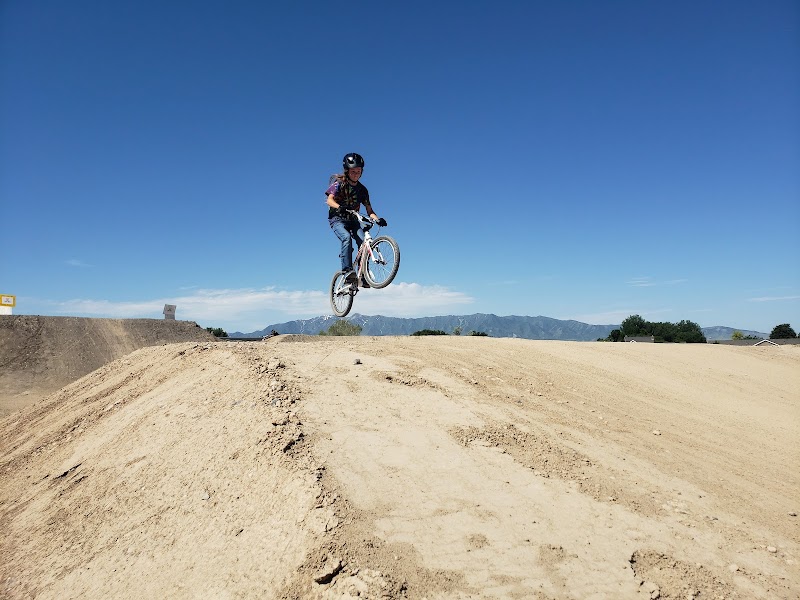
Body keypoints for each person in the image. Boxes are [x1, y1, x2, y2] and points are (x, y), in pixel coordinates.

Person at [325, 153, 386, 283]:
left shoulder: (362, 190)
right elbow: (329, 200)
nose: (356, 174)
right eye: (353, 171)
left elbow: (369, 210)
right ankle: (347, 271)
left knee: (364, 242)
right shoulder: (339, 183)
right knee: (346, 238)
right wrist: (339, 207)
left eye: (358, 171)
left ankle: (363, 275)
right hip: (337, 219)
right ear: (347, 171)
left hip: (353, 220)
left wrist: (377, 219)